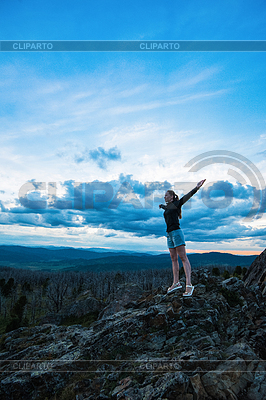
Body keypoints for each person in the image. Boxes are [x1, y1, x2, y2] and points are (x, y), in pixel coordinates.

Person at [159, 179, 206, 296]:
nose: (164, 197)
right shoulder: (169, 207)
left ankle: (189, 285)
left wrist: (197, 188)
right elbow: (168, 209)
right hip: (169, 234)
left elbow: (187, 197)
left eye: (166, 195)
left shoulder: (176, 204)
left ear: (171, 197)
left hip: (176, 233)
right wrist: (162, 206)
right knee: (173, 259)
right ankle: (176, 283)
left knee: (183, 258)